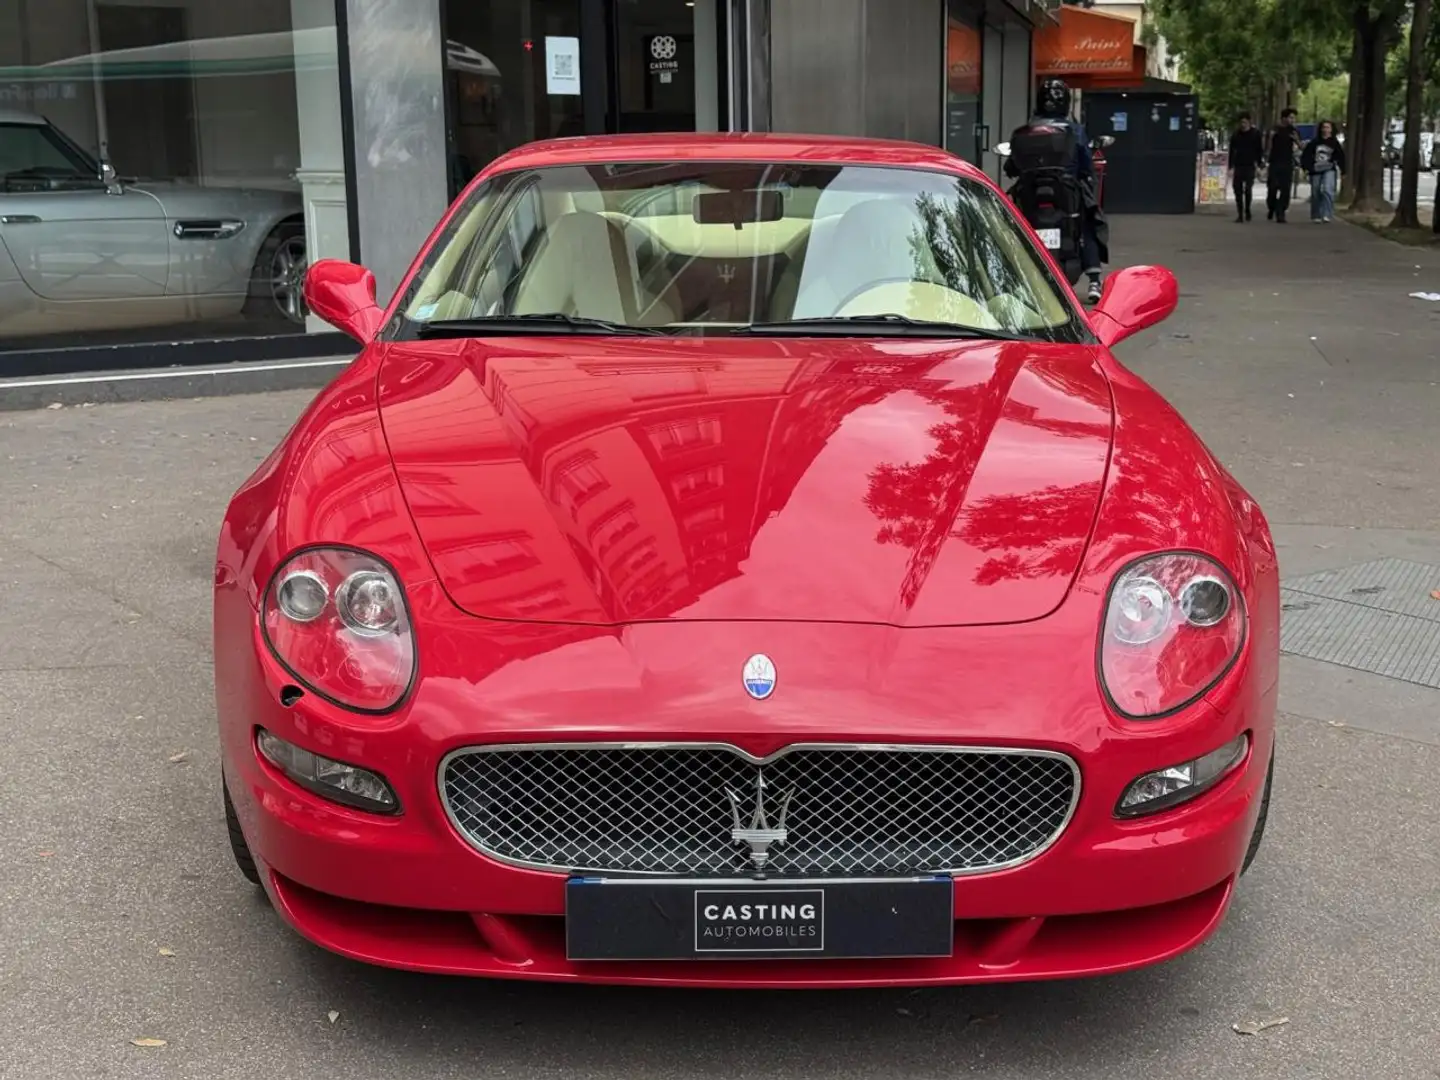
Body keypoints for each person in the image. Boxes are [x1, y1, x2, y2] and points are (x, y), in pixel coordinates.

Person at [1004, 77, 1109, 304]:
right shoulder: (1074, 131)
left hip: (1029, 192)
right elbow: (1085, 163)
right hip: (1067, 190)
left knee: (1009, 222)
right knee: (1090, 219)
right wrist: (1087, 178)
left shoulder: (1024, 131)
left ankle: (1008, 275)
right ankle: (1094, 278)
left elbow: (1011, 166)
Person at [1301, 120, 1346, 223]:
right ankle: (1316, 215)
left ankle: (1327, 214)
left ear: (1331, 130)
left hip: (1329, 169)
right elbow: (1306, 156)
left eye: (1328, 128)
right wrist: (1307, 168)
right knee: (1316, 192)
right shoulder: (1314, 142)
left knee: (1327, 190)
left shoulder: (1334, 143)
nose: (1326, 130)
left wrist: (1344, 171)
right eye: (1324, 127)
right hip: (1315, 170)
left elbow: (1341, 157)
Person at [1264, 108, 1302, 223]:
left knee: (1285, 190)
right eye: (1291, 117)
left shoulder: (1293, 131)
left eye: (1294, 118)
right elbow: (1267, 147)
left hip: (1287, 163)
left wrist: (1296, 140)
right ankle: (1272, 207)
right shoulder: (1274, 130)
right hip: (1275, 162)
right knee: (1272, 188)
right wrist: (1270, 138)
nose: (1293, 120)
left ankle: (1281, 212)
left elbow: (1300, 146)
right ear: (1284, 118)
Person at [1227, 113, 1265, 222]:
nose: (1243, 125)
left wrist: (1259, 164)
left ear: (1249, 122)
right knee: (1237, 189)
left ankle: (1247, 209)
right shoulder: (1236, 135)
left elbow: (1259, 150)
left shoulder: (1255, 134)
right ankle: (1240, 213)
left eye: (1245, 122)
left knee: (1248, 189)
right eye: (1241, 122)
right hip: (1239, 165)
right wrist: (1230, 166)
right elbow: (1232, 151)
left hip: (1250, 165)